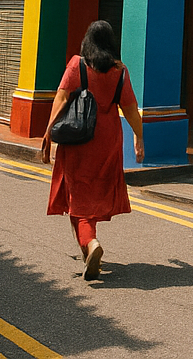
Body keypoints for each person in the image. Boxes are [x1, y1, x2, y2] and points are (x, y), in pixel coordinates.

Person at [41, 20, 144, 280]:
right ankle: (89, 251)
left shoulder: (78, 65)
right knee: (93, 195)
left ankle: (91, 243)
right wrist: (139, 137)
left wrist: (47, 132)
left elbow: (62, 97)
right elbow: (130, 109)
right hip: (108, 141)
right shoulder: (120, 71)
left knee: (78, 197)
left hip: (79, 140)